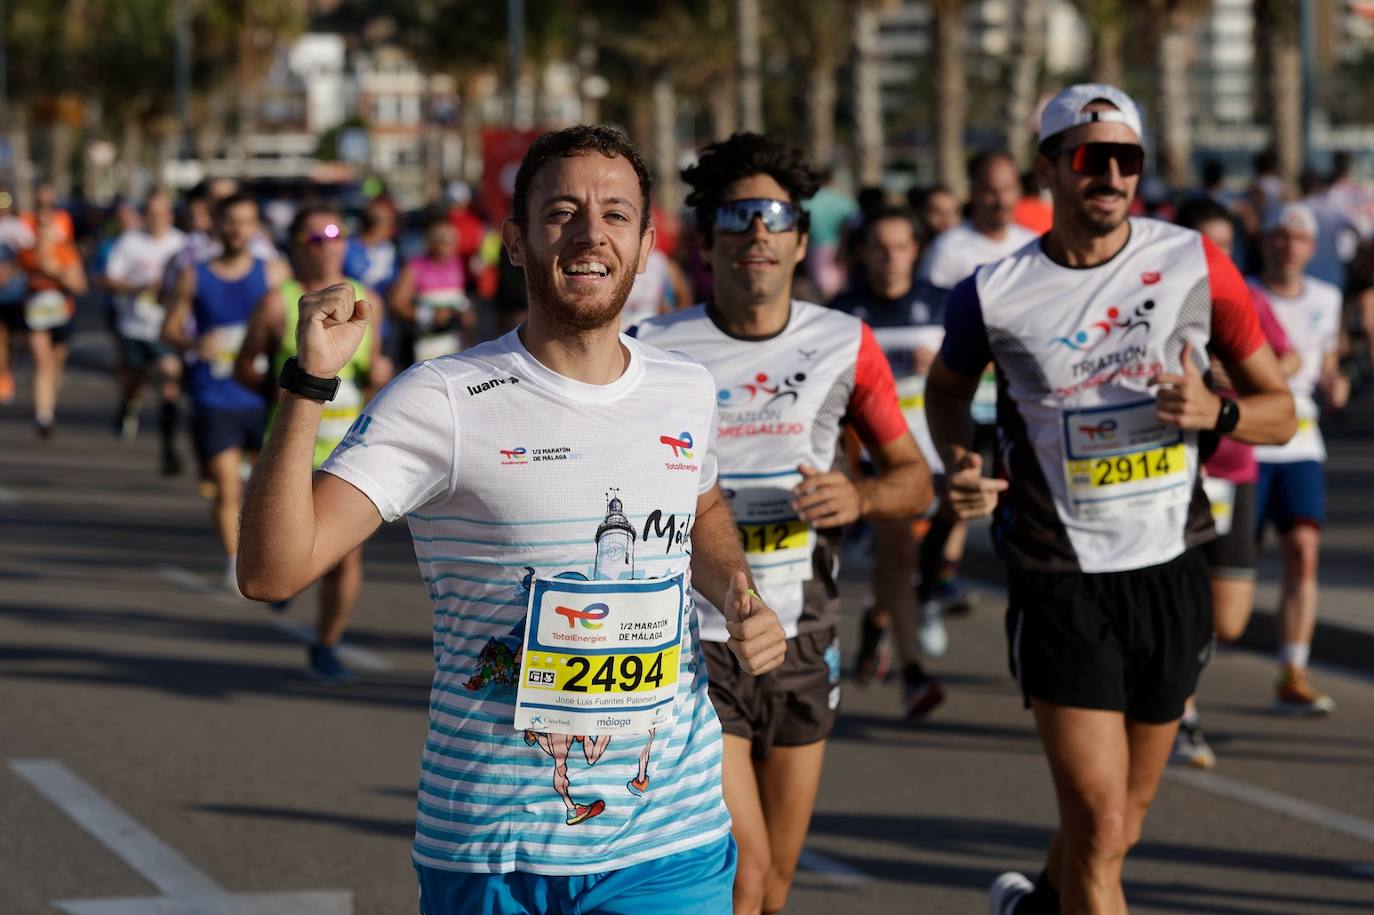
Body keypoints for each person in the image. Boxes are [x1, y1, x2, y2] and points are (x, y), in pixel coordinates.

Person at [236, 125, 787, 915]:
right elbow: (271, 570)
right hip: (489, 843)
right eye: (561, 212)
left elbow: (697, 503)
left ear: (647, 241)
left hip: (669, 838)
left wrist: (737, 585)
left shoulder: (685, 389)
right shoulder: (445, 400)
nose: (591, 234)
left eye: (615, 215)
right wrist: (306, 383)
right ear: (517, 241)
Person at [923, 83, 1296, 915]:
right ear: (1051, 168)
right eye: (1093, 158)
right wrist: (959, 457)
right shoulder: (994, 291)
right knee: (1096, 826)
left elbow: (1281, 408)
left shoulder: (1194, 262)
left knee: (1121, 824)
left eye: (1128, 159)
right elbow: (947, 388)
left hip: (1170, 567)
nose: (1113, 176)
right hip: (1060, 572)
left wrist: (1219, 411)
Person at [634, 134, 934, 915]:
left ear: (802, 239)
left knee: (775, 885)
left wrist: (860, 498)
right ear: (707, 242)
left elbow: (913, 478)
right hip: (694, 639)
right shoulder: (653, 352)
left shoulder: (843, 343)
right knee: (743, 870)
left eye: (775, 216)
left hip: (805, 632)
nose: (757, 231)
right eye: (737, 216)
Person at [1170, 197, 1301, 768]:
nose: (1215, 254)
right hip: (1179, 472)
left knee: (1229, 619)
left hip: (1236, 468)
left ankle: (1165, 675)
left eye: (1224, 243)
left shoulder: (1241, 297)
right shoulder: (1161, 301)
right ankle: (1182, 713)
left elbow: (1286, 361)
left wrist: (1239, 374)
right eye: (1205, 243)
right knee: (1184, 600)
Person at [236, 206, 390, 683]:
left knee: (346, 559)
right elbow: (245, 366)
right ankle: (287, 570)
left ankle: (327, 643)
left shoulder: (370, 304)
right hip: (293, 449)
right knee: (281, 551)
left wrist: (379, 372)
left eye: (336, 234)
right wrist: (285, 387)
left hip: (348, 450)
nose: (327, 244)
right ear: (299, 245)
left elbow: (374, 363)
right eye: (315, 236)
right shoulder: (279, 303)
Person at [914, 151, 1040, 657]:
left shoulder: (1032, 247)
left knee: (1021, 497)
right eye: (989, 190)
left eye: (1008, 189)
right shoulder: (949, 250)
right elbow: (927, 319)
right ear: (973, 192)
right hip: (961, 394)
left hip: (1013, 395)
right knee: (957, 498)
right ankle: (931, 590)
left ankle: (1028, 603)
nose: (999, 200)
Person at [830, 205, 946, 716]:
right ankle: (915, 674)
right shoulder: (843, 313)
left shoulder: (942, 306)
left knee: (919, 564)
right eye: (880, 247)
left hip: (940, 457)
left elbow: (983, 383)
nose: (892, 258)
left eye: (901, 246)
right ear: (862, 253)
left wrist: (940, 370)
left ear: (916, 250)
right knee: (899, 556)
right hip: (880, 465)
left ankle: (877, 618)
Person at [1250, 202, 1350, 716]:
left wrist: (1336, 386)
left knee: (1303, 551)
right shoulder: (1242, 293)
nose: (1288, 245)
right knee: (1231, 574)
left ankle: (1293, 670)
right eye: (1279, 236)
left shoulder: (1327, 299)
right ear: (1265, 241)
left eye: (1298, 238)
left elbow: (1327, 367)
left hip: (1301, 442)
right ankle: (1183, 678)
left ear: (1312, 248)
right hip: (1244, 440)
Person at [164, 193, 290, 594]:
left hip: (261, 395)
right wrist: (194, 345)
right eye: (231, 221)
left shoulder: (272, 273)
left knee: (266, 487)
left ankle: (272, 558)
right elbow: (168, 329)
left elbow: (292, 322)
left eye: (246, 221)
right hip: (214, 394)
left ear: (257, 227)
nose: (238, 229)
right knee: (226, 484)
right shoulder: (194, 275)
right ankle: (236, 563)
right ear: (216, 225)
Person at [105, 192, 187, 470]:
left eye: (162, 213)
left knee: (169, 378)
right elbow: (109, 279)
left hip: (165, 329)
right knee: (134, 382)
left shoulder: (181, 243)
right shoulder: (130, 242)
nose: (156, 218)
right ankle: (127, 404)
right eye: (151, 212)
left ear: (170, 215)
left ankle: (168, 448)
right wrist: (136, 288)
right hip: (133, 326)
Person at [17, 202, 88, 437]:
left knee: (55, 364)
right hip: (35, 314)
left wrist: (57, 272)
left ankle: (48, 404)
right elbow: (15, 275)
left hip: (62, 312)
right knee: (43, 363)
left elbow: (81, 286)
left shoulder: (65, 250)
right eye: (40, 225)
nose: (43, 229)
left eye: (48, 225)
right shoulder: (27, 252)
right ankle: (43, 416)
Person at [389, 211, 475, 365]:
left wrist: (466, 312)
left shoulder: (458, 264)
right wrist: (428, 315)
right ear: (430, 241)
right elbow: (397, 304)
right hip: (425, 345)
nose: (450, 244)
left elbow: (460, 297)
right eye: (443, 240)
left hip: (454, 342)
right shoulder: (415, 267)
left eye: (453, 238)